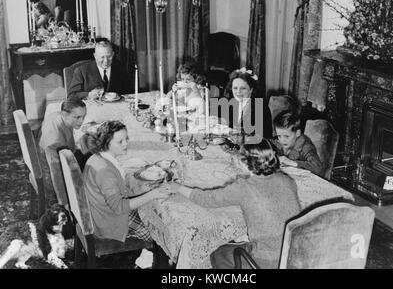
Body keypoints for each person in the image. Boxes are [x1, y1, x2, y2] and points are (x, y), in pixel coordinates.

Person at [172, 139, 301, 269]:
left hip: (267, 261)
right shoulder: (287, 180)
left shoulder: (244, 187)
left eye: (239, 157)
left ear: (245, 162)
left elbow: (207, 199)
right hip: (297, 254)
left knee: (217, 253)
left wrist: (178, 188)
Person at [83, 121, 174, 266]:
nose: (126, 144)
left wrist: (146, 191)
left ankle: (147, 257)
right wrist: (152, 194)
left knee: (153, 212)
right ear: (106, 143)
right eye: (120, 141)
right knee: (160, 231)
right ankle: (160, 263)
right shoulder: (105, 170)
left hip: (101, 212)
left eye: (126, 139)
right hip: (108, 223)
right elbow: (119, 207)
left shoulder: (99, 158)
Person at [39, 97, 90, 206]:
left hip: (63, 158)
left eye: (83, 116)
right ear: (64, 114)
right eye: (77, 117)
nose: (81, 121)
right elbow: (56, 173)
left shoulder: (58, 116)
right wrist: (64, 203)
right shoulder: (54, 142)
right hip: (54, 179)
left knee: (92, 150)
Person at [222, 68, 273, 139]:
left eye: (243, 88)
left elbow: (264, 137)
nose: (238, 92)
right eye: (235, 88)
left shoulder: (260, 108)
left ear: (251, 90)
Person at [272, 111, 323, 176]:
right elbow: (269, 142)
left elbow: (317, 167)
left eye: (287, 136)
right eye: (279, 136)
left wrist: (292, 162)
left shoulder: (305, 146)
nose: (282, 140)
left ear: (297, 133)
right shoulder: (281, 141)